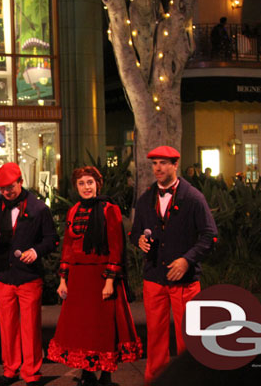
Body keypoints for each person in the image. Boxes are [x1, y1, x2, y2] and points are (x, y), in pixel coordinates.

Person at [130, 146, 217, 384]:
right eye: (155, 163)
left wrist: (187, 260)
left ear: (175, 165)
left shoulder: (193, 197)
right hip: (154, 278)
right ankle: (154, 380)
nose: (158, 168)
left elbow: (210, 236)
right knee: (155, 337)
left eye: (163, 163)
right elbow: (135, 232)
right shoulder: (146, 198)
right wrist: (138, 240)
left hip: (184, 281)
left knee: (188, 339)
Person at [48, 166, 142, 386]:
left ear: (97, 184)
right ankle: (87, 372)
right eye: (81, 183)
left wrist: (109, 280)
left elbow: (116, 246)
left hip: (100, 277)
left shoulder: (109, 209)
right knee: (82, 328)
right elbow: (68, 247)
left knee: (102, 329)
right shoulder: (73, 211)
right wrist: (63, 279)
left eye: (89, 182)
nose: (86, 187)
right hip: (79, 278)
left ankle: (105, 375)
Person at [0, 162, 58, 386]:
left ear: (20, 182)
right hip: (3, 275)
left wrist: (36, 251)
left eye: (10, 187)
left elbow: (52, 240)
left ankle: (31, 372)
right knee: (7, 326)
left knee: (30, 327)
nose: (6, 192)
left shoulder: (39, 208)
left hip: (29, 276)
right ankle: (10, 369)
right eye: (1, 189)